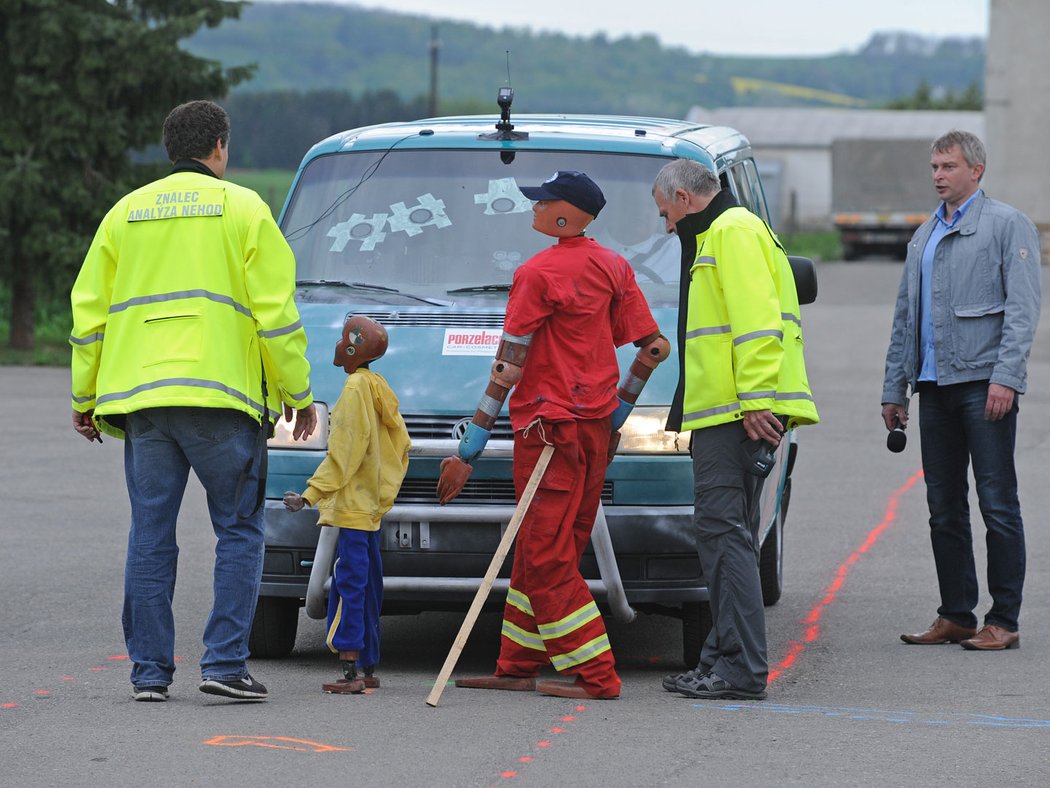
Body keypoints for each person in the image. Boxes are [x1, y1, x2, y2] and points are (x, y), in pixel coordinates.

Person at [69, 100, 317, 703]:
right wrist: (298, 393)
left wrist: (85, 395)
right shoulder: (245, 208)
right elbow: (276, 315)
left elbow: (89, 313)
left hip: (143, 403)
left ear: (169, 149)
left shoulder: (125, 213)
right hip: (221, 400)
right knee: (237, 530)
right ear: (220, 148)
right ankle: (225, 665)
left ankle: (150, 674)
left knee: (151, 534)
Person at [440, 170, 667, 700]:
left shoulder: (536, 273)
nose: (533, 210)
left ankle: (597, 675)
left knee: (545, 555)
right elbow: (654, 348)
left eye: (542, 203)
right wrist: (618, 411)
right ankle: (518, 663)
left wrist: (468, 448)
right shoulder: (614, 266)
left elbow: (507, 367)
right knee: (545, 546)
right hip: (592, 431)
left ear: (565, 215)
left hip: (548, 432)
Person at [651, 158, 818, 701]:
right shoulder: (728, 231)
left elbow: (756, 324)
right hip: (728, 412)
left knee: (725, 538)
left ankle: (740, 669)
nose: (667, 226)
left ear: (681, 195)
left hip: (738, 413)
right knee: (724, 539)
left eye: (664, 214)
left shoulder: (732, 230)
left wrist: (754, 400)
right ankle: (721, 660)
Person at [884, 130, 1041, 651]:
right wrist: (895, 389)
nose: (938, 175)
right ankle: (956, 614)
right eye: (934, 166)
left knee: (997, 502)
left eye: (948, 166)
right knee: (942, 505)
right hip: (934, 387)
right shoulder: (923, 234)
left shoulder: (1005, 224)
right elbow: (906, 318)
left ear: (976, 170)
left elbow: (1022, 311)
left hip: (982, 384)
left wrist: (1006, 378)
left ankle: (1005, 620)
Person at [283, 315, 410, 694]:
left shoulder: (354, 389)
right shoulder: (377, 386)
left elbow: (344, 451)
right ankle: (368, 664)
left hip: (352, 508)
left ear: (354, 349)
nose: (338, 346)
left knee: (348, 585)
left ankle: (350, 666)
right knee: (370, 586)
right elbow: (399, 443)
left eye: (342, 340)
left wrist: (311, 493)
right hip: (369, 507)